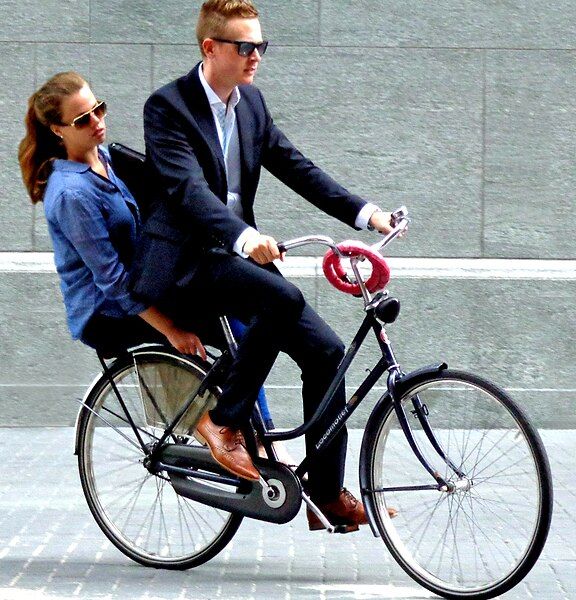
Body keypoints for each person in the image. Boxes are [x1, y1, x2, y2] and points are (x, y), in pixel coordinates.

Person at [131, 0, 397, 532]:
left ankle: (323, 492)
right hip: (187, 262)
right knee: (283, 298)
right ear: (211, 48)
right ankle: (224, 422)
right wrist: (245, 236)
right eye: (244, 47)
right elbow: (188, 191)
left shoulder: (249, 103)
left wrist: (366, 213)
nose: (256, 56)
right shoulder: (167, 107)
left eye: (261, 46)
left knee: (327, 352)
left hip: (235, 260)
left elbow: (295, 165)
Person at [17, 71, 206, 360]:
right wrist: (170, 329)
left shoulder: (103, 157)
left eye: (98, 109)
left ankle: (206, 400)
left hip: (136, 288)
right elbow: (111, 279)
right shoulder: (72, 195)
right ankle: (208, 404)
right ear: (58, 130)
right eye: (83, 120)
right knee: (210, 332)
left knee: (232, 315)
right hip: (104, 313)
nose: (97, 122)